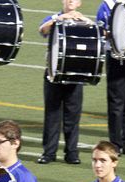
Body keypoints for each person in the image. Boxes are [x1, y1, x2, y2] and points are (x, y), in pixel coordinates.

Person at [36, 0, 91, 165]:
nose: (70, 1)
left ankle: (72, 153)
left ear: (79, 3)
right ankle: (49, 152)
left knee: (72, 115)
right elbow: (43, 29)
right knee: (52, 113)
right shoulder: (54, 18)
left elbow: (99, 33)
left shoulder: (84, 21)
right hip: (54, 72)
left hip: (75, 72)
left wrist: (86, 21)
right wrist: (61, 18)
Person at [96, 0, 125, 157]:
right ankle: (115, 143)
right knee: (116, 104)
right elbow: (100, 30)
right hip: (116, 57)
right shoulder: (107, 5)